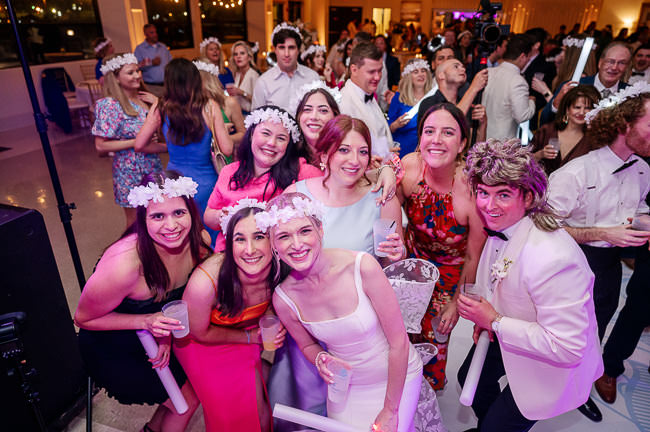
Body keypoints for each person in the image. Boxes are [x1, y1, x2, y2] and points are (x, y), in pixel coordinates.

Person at [456, 138, 603, 432]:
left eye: (503, 195)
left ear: (528, 197)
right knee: (469, 379)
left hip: (550, 361)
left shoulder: (554, 259)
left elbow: (567, 347)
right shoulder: (503, 226)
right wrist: (486, 321)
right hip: (507, 330)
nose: (488, 206)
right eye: (483, 193)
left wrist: (494, 321)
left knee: (498, 425)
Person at [265, 193, 424, 432]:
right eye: (284, 236)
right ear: (273, 245)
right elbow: (307, 345)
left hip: (397, 380)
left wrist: (390, 410)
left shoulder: (362, 268)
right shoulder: (283, 299)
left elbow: (399, 343)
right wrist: (319, 358)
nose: (296, 245)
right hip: (346, 389)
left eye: (305, 231)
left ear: (320, 229)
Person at [74, 172, 208, 432]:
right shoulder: (124, 264)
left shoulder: (199, 244)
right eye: (158, 216)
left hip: (157, 338)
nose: (171, 225)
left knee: (187, 392)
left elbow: (174, 302)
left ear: (191, 210)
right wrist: (146, 321)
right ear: (143, 219)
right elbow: (83, 319)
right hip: (114, 347)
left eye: (179, 212)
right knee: (186, 402)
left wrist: (164, 336)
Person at [547, 83, 650, 414]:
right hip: (571, 266)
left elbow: (639, 210)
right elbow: (542, 227)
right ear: (624, 125)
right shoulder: (576, 172)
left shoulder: (643, 169)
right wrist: (600, 233)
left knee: (596, 330)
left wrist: (644, 224)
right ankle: (544, 392)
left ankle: (577, 391)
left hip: (609, 267)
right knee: (562, 334)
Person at [175, 200, 287, 431]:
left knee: (257, 407)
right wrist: (250, 338)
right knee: (229, 412)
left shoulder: (280, 269)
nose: (250, 249)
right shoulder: (206, 282)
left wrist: (275, 323)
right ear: (229, 243)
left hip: (245, 337)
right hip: (199, 345)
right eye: (240, 239)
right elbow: (198, 332)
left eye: (259, 237)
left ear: (273, 240)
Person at [397, 103, 485, 391]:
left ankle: (427, 392)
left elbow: (473, 256)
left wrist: (456, 304)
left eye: (448, 133)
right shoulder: (410, 168)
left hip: (449, 277)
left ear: (462, 143)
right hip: (410, 264)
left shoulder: (472, 191)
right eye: (429, 131)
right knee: (399, 337)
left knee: (435, 339)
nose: (436, 140)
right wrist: (386, 170)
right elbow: (385, 208)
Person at [134, 58, 234, 244]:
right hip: (206, 182)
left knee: (184, 234)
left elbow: (139, 144)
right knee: (211, 235)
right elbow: (227, 149)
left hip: (174, 181)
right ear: (196, 79)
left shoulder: (161, 107)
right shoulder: (209, 105)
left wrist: (167, 148)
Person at [204, 105, 322, 251]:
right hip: (230, 253)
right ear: (251, 134)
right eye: (266, 133)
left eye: (281, 138)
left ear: (288, 145)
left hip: (281, 257)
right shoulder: (229, 172)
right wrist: (223, 216)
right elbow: (208, 216)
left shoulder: (301, 173)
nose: (271, 143)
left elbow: (329, 200)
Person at [287, 115, 405, 261]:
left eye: (363, 152)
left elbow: (391, 264)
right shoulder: (296, 196)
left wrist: (396, 254)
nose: (354, 161)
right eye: (343, 150)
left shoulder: (383, 201)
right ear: (324, 156)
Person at [92, 52, 164, 228]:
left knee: (158, 217)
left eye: (137, 71)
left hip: (152, 164)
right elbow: (100, 146)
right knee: (136, 224)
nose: (137, 75)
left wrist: (158, 104)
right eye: (130, 72)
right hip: (129, 170)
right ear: (116, 78)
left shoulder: (143, 99)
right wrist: (138, 141)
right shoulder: (110, 104)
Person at [541, 40, 630, 125]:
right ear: (600, 63)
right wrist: (557, 104)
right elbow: (545, 121)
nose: (614, 67)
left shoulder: (630, 93)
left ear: (627, 67)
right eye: (610, 61)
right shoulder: (575, 86)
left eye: (622, 63)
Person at [339, 42, 394, 159]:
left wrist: (387, 152)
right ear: (354, 70)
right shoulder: (343, 103)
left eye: (380, 71)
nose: (377, 77)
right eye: (371, 72)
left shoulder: (368, 95)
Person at [530, 85, 600, 174]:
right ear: (567, 109)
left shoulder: (593, 138)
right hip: (542, 182)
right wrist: (540, 154)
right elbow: (523, 161)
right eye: (577, 107)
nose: (582, 112)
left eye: (587, 108)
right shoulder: (547, 131)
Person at [252, 23, 320, 112]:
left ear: (298, 50)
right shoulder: (263, 82)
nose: (286, 54)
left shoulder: (312, 77)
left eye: (291, 48)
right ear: (275, 50)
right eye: (282, 48)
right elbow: (256, 117)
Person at [417, 59, 488, 143]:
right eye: (456, 66)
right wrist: (474, 88)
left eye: (463, 67)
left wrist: (483, 124)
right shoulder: (429, 103)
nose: (463, 69)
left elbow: (477, 146)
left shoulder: (467, 104)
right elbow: (448, 123)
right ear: (441, 75)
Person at [481, 34, 536, 140]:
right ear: (522, 57)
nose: (527, 62)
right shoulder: (518, 81)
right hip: (501, 142)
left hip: (481, 136)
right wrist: (531, 102)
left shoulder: (488, 72)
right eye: (528, 59)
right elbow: (522, 116)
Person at [194, 58, 247, 149]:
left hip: (223, 156)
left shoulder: (229, 103)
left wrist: (222, 139)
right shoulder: (191, 104)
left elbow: (243, 134)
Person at [388, 59, 434, 157]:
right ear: (409, 76)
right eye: (415, 72)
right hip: (404, 150)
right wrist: (396, 124)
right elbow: (388, 129)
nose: (420, 74)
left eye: (423, 71)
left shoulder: (434, 97)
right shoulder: (399, 97)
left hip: (429, 148)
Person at [134, 24, 172, 97]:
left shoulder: (163, 47)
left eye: (155, 32)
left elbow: (171, 64)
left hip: (167, 86)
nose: (155, 35)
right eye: (152, 33)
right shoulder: (140, 49)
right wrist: (151, 63)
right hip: (151, 88)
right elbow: (136, 67)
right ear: (146, 34)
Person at [229, 41, 261, 114]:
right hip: (238, 114)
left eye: (242, 53)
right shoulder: (237, 74)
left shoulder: (254, 75)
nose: (238, 56)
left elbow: (259, 101)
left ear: (249, 57)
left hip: (250, 115)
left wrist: (242, 93)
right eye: (235, 54)